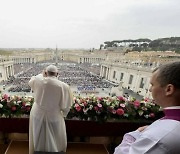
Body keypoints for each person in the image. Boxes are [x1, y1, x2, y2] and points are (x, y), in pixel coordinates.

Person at [114, 61, 180, 154]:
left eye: (152, 84)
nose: (149, 89)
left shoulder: (161, 135)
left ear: (169, 89)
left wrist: (133, 135)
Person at [28, 64, 73, 154]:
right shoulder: (64, 86)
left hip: (37, 114)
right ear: (57, 74)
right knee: (55, 139)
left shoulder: (38, 80)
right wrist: (64, 114)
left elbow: (32, 81)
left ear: (45, 72)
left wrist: (43, 74)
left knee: (38, 136)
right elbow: (66, 106)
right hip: (54, 116)